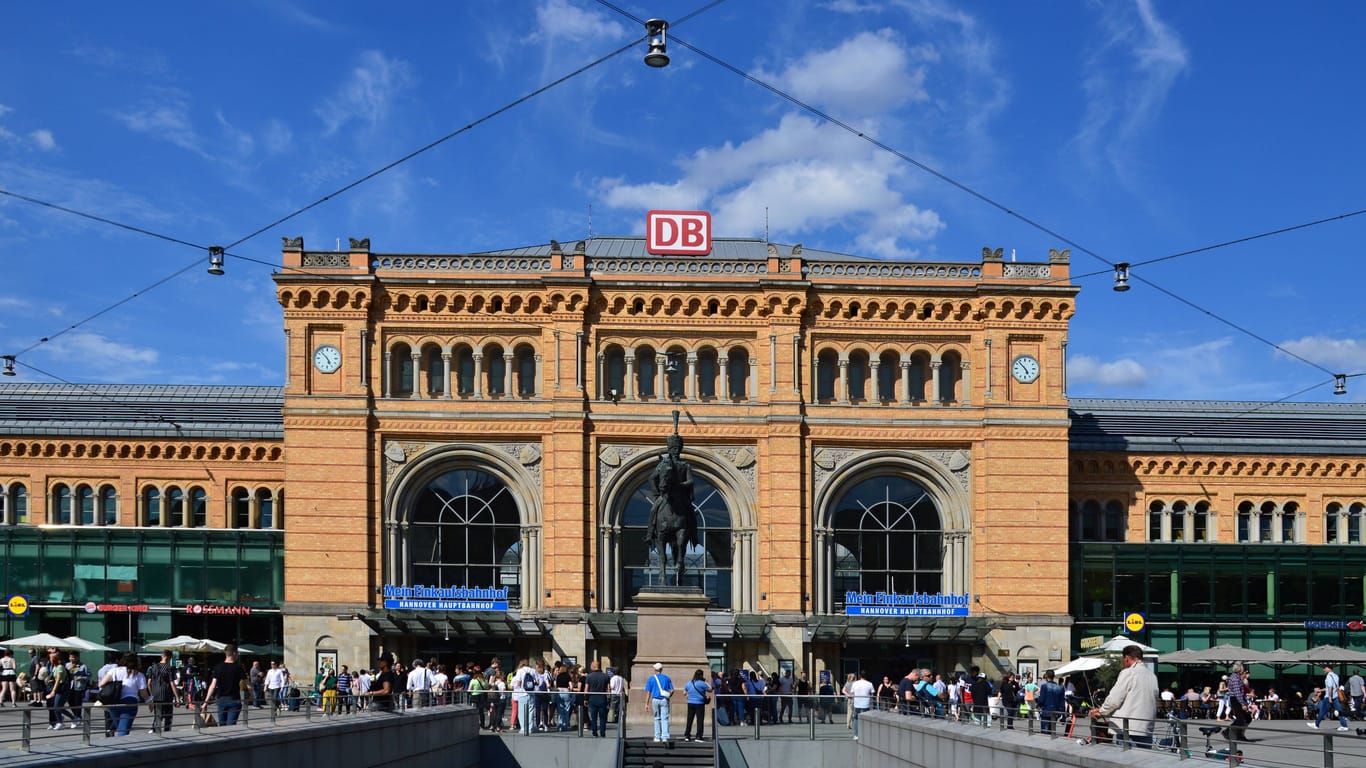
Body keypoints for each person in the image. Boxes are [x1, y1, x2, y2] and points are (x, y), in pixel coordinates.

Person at [1091, 644, 1159, 748]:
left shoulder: (1128, 673)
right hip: (1146, 728)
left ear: (1127, 658)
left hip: (1127, 729)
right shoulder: (1152, 675)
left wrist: (1101, 711)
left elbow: (1114, 699)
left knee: (1126, 761)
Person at [98, 652, 149, 736]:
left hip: (113, 702)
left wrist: (114, 685)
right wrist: (149, 702)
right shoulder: (138, 675)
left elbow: (101, 684)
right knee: (123, 731)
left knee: (121, 728)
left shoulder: (114, 671)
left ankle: (120, 746)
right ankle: (122, 747)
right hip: (129, 702)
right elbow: (143, 693)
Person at [204, 644, 246, 726]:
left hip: (221, 699)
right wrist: (251, 695)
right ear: (234, 653)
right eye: (237, 653)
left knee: (222, 725)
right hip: (234, 699)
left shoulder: (218, 667)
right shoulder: (238, 667)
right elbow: (248, 684)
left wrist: (206, 701)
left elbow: (213, 685)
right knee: (231, 725)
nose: (237, 655)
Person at [145, 650, 180, 733]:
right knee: (168, 717)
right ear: (169, 657)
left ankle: (155, 731)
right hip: (166, 695)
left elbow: (149, 683)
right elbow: (172, 683)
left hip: (156, 695)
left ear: (162, 656)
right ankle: (167, 733)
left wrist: (151, 694)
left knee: (158, 715)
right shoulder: (169, 668)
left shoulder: (153, 667)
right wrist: (177, 697)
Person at [1309, 663, 1350, 731]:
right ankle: (1344, 726)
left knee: (1322, 711)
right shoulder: (1336, 676)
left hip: (1329, 697)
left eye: (1324, 668)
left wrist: (1330, 697)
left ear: (1328, 668)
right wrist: (1321, 690)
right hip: (1335, 696)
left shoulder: (1329, 676)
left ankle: (1316, 724)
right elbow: (1333, 687)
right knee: (1339, 711)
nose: (1323, 670)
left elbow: (1330, 687)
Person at [644, 661, 675, 743]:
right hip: (664, 699)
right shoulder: (667, 678)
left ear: (655, 669)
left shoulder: (651, 679)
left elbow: (648, 692)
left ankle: (657, 737)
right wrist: (668, 696)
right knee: (665, 718)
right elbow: (672, 690)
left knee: (656, 718)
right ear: (661, 669)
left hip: (655, 699)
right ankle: (665, 737)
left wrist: (646, 703)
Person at [684, 669, 711, 742]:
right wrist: (706, 682)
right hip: (699, 703)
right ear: (702, 675)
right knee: (700, 720)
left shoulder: (689, 683)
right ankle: (698, 736)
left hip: (690, 703)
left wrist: (688, 695)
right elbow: (710, 689)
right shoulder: (702, 683)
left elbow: (684, 692)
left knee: (689, 719)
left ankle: (687, 735)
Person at [585, 660, 610, 737]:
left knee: (594, 717)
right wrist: (608, 698)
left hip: (592, 698)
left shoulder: (589, 676)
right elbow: (609, 689)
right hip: (602, 698)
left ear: (594, 666)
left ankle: (594, 732)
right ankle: (602, 733)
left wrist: (585, 699)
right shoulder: (606, 676)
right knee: (602, 717)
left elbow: (586, 689)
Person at [848, 669, 875, 740]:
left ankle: (856, 735)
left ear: (860, 676)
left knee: (856, 719)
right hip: (866, 703)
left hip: (857, 703)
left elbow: (852, 693)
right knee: (866, 719)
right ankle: (865, 734)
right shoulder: (869, 684)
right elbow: (872, 693)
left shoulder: (855, 683)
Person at [1037, 670, 1066, 734]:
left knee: (1045, 730)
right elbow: (1062, 702)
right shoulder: (1060, 687)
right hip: (1055, 711)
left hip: (1046, 710)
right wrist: (1063, 714)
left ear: (1046, 677)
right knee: (1052, 728)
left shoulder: (1044, 686)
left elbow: (1041, 699)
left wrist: (1038, 705)